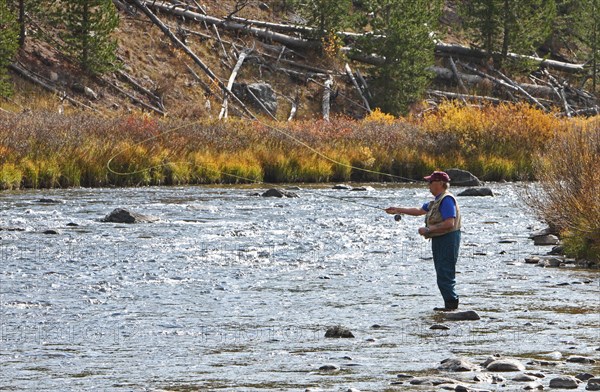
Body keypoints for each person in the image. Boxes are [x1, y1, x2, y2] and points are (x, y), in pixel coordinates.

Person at [385, 171, 462, 311]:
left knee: (445, 273)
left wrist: (428, 229)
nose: (428, 185)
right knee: (442, 273)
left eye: (430, 182)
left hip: (448, 239)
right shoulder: (437, 200)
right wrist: (396, 209)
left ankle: (451, 307)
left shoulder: (447, 200)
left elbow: (450, 223)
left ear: (439, 183)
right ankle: (450, 307)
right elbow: (419, 210)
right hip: (440, 239)